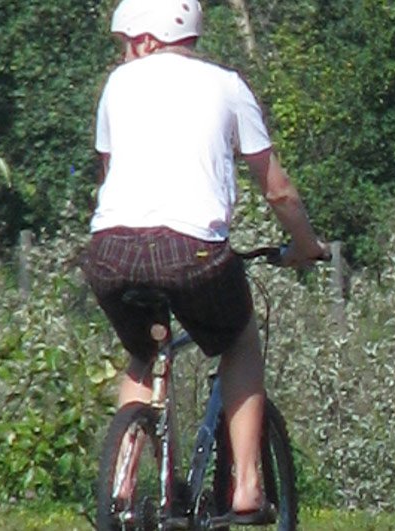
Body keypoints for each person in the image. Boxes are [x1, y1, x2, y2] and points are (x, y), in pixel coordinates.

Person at [84, 0, 327, 525]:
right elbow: (278, 190)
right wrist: (305, 246)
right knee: (239, 340)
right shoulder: (226, 85)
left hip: (108, 250)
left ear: (148, 39)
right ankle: (246, 485)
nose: (125, 53)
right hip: (191, 251)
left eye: (127, 42)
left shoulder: (117, 86)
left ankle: (122, 487)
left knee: (144, 353)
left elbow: (109, 175)